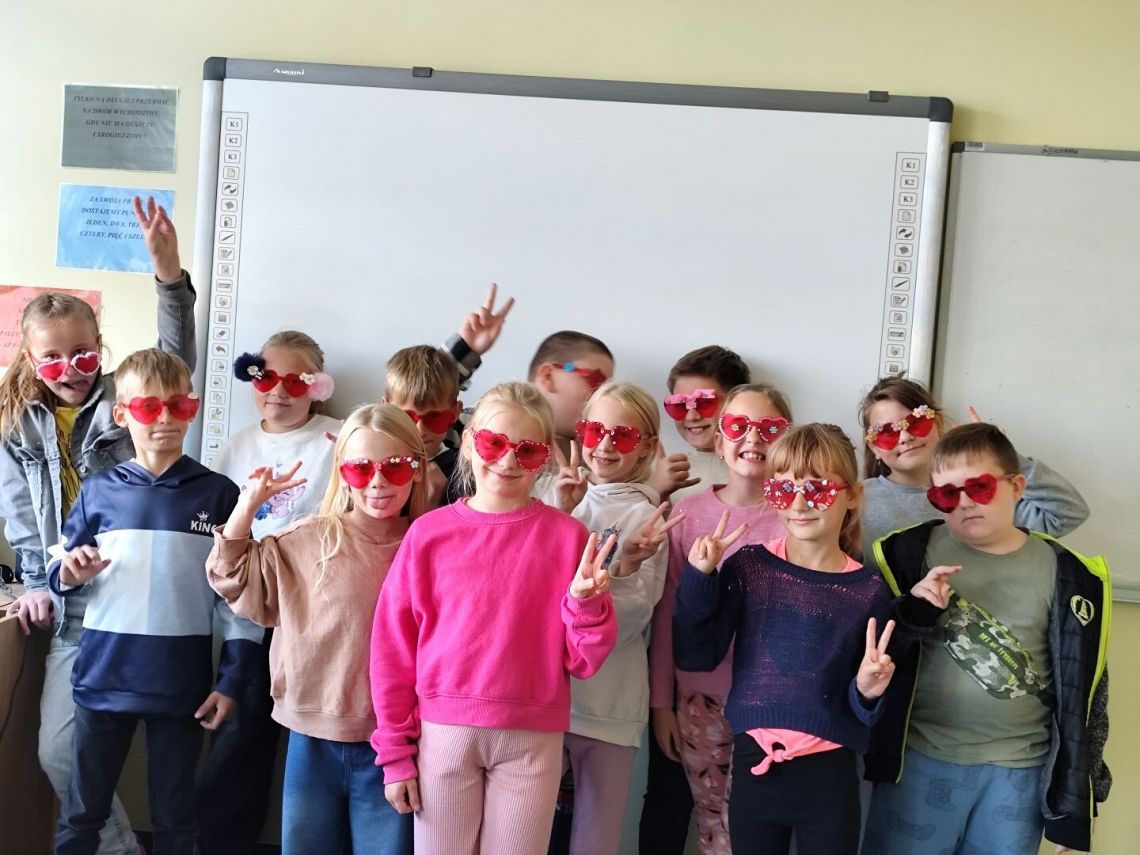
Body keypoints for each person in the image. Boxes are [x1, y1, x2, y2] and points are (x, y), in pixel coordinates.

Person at [0, 196, 194, 855]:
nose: (71, 371)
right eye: (53, 359)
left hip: (138, 596)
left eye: (83, 355)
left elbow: (174, 358)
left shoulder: (123, 398)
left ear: (100, 348)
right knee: (59, 752)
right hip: (71, 602)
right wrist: (37, 582)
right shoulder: (16, 423)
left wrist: (167, 274)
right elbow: (20, 516)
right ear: (30, 359)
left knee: (165, 761)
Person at [370, 381, 618, 855]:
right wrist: (395, 754)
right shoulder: (428, 535)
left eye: (527, 450)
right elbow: (392, 650)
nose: (507, 461)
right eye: (494, 443)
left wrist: (586, 605)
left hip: (532, 741)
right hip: (443, 734)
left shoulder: (569, 538)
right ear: (469, 442)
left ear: (544, 458)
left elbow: (583, 661)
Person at [47, 348, 261, 855]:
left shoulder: (219, 495)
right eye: (149, 407)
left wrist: (231, 682)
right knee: (82, 815)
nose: (165, 419)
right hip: (103, 677)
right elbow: (61, 566)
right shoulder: (98, 491)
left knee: (174, 821)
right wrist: (69, 573)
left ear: (192, 409)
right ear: (123, 414)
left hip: (180, 686)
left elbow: (239, 601)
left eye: (179, 406)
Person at [862, 422, 1111, 855]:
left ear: (1017, 486)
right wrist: (914, 611)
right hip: (918, 760)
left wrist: (1080, 798)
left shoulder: (1071, 574)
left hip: (1020, 771)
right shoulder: (902, 556)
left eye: (979, 487)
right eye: (946, 494)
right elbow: (870, 660)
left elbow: (1087, 692)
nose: (963, 503)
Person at [208, 404, 428, 854]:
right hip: (311, 737)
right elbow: (232, 577)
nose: (378, 482)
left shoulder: (429, 544)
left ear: (418, 469)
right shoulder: (309, 539)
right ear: (341, 472)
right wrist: (247, 506)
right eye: (360, 468)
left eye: (395, 466)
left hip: (397, 745)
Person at [674, 423, 899, 855]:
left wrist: (868, 691)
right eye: (782, 490)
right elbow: (696, 654)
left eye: (816, 490)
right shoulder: (750, 568)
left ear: (852, 495)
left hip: (830, 774)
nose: (798, 504)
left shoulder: (869, 591)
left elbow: (864, 710)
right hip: (753, 761)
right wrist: (700, 578)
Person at [646, 382, 792, 855]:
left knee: (756, 830)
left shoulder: (799, 516)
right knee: (713, 826)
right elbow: (667, 613)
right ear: (719, 438)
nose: (753, 438)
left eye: (769, 427)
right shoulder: (688, 514)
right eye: (739, 425)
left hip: (772, 705)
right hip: (700, 700)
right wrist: (661, 704)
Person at [555, 381, 680, 855]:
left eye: (623, 435)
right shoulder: (556, 496)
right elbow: (530, 595)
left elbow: (629, 623)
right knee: (531, 833)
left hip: (608, 708)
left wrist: (624, 567)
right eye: (595, 430)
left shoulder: (647, 517)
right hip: (547, 701)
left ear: (646, 445)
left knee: (596, 839)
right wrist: (561, 513)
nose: (605, 445)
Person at [858, 376, 1089, 550]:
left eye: (916, 422)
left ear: (938, 424)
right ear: (874, 447)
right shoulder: (858, 500)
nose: (905, 437)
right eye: (886, 433)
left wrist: (1002, 456)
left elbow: (1069, 513)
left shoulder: (985, 489)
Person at [652, 345, 751, 504]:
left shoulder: (764, 465)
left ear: (739, 401)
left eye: (705, 403)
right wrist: (657, 492)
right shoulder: (662, 472)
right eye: (680, 404)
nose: (692, 416)